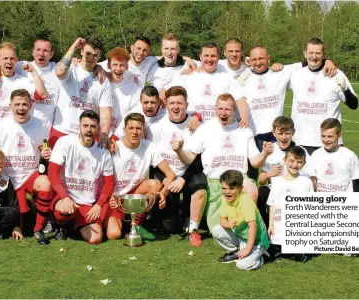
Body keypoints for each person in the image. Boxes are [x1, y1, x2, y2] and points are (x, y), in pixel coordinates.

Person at [173, 94, 273, 233]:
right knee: (217, 229)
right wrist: (179, 151)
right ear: (215, 109)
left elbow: (255, 163)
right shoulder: (205, 128)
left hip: (239, 179)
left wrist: (264, 155)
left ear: (234, 111)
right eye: (220, 109)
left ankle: (248, 230)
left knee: (252, 191)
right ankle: (196, 226)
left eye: (227, 109)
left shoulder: (244, 129)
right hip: (215, 182)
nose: (223, 113)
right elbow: (189, 158)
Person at [0, 89, 55, 245]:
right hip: (8, 178)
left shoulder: (39, 124)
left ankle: (38, 229)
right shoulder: (1, 126)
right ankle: (27, 213)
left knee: (45, 183)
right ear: (10, 106)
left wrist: (46, 151)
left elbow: (43, 148)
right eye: (17, 104)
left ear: (30, 105)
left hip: (29, 175)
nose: (21, 107)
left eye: (25, 104)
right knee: (20, 219)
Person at [147, 86, 207, 246]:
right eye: (172, 103)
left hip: (188, 172)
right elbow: (153, 159)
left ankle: (192, 221)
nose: (175, 107)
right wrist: (163, 184)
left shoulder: (196, 126)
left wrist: (182, 179)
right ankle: (172, 211)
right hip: (167, 174)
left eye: (179, 103)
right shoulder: (156, 126)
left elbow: (199, 160)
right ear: (165, 104)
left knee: (200, 183)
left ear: (187, 105)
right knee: (170, 227)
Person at [48, 110, 115, 244]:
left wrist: (98, 205)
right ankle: (59, 223)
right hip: (65, 198)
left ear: (98, 129)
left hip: (87, 204)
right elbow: (52, 172)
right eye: (85, 126)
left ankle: (71, 227)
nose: (89, 130)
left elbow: (109, 183)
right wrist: (65, 197)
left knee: (96, 239)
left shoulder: (103, 153)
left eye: (93, 126)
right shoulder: (65, 142)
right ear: (79, 126)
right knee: (65, 210)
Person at [0, 42, 47, 156]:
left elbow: (42, 95)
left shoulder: (23, 82)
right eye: (5, 58)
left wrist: (33, 71)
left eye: (12, 58)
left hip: (7, 144)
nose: (9, 62)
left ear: (16, 60)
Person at [106, 113, 175, 241]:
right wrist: (110, 196)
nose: (134, 132)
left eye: (138, 128)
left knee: (155, 185)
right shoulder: (114, 147)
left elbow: (170, 174)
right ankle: (123, 222)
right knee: (113, 235)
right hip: (115, 197)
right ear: (124, 129)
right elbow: (102, 177)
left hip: (135, 195)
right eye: (131, 128)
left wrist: (164, 192)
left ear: (143, 130)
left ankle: (137, 224)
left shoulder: (149, 147)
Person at [290, 38, 358, 155]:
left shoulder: (336, 74)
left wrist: (345, 89)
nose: (314, 56)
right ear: (305, 53)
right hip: (300, 141)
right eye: (311, 52)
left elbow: (354, 105)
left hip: (328, 142)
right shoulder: (296, 73)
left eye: (318, 53)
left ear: (323, 54)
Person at [169, 42, 250, 127]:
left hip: (219, 129)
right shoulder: (188, 75)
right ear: (200, 57)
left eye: (213, 56)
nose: (209, 59)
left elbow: (240, 100)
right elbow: (169, 95)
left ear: (218, 57)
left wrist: (244, 118)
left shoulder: (226, 77)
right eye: (206, 56)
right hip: (192, 127)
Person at [51, 37, 112, 149]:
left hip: (87, 136)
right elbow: (59, 72)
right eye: (88, 53)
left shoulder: (103, 80)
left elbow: (105, 112)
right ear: (81, 51)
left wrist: (104, 133)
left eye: (95, 55)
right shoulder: (71, 69)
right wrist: (73, 46)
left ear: (99, 57)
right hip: (62, 131)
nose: (91, 58)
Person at [257, 116, 312, 226]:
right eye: (280, 133)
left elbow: (309, 177)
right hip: (276, 190)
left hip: (295, 189)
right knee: (261, 192)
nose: (284, 137)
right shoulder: (270, 150)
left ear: (293, 132)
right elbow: (261, 180)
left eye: (287, 133)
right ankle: (266, 229)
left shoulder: (300, 150)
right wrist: (269, 174)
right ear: (274, 133)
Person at [212, 170, 270, 270]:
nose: (227, 191)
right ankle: (238, 252)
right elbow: (222, 221)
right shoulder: (225, 198)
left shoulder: (245, 202)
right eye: (224, 188)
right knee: (216, 230)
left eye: (231, 188)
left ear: (240, 188)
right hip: (241, 237)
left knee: (241, 265)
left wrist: (248, 249)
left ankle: (262, 257)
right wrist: (228, 224)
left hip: (257, 241)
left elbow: (253, 226)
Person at [267, 146, 314, 262]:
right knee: (273, 251)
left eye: (299, 162)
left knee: (297, 252)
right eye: (291, 161)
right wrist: (270, 225)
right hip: (278, 226)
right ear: (285, 160)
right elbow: (272, 204)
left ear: (304, 163)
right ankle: (283, 251)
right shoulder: (276, 181)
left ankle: (297, 252)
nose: (294, 165)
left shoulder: (306, 182)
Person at [15, 38, 60, 138]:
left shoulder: (58, 70)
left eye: (45, 50)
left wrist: (98, 68)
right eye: (38, 50)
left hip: (45, 134)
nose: (41, 53)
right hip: (22, 131)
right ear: (33, 52)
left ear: (51, 54)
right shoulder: (22, 66)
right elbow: (3, 61)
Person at [310, 118, 359, 192]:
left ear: (339, 135)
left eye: (330, 136)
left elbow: (357, 183)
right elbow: (311, 182)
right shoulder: (315, 155)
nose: (326, 140)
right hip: (321, 202)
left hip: (344, 202)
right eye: (323, 136)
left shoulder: (350, 156)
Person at [104, 47, 141, 139]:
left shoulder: (134, 88)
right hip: (99, 135)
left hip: (119, 137)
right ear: (109, 65)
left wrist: (117, 137)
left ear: (127, 66)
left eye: (122, 65)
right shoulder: (101, 82)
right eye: (115, 64)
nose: (118, 69)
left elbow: (133, 116)